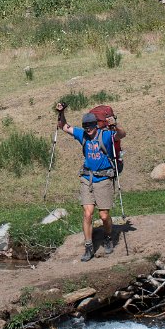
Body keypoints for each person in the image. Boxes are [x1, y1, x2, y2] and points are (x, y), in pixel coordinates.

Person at [56, 102, 126, 262]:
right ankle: (88, 247)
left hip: (104, 179)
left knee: (104, 216)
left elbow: (122, 134)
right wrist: (61, 112)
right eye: (85, 126)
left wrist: (116, 125)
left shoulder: (105, 135)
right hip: (87, 178)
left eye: (91, 126)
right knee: (87, 214)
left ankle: (108, 237)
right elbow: (64, 126)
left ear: (96, 125)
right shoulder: (82, 135)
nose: (88, 129)